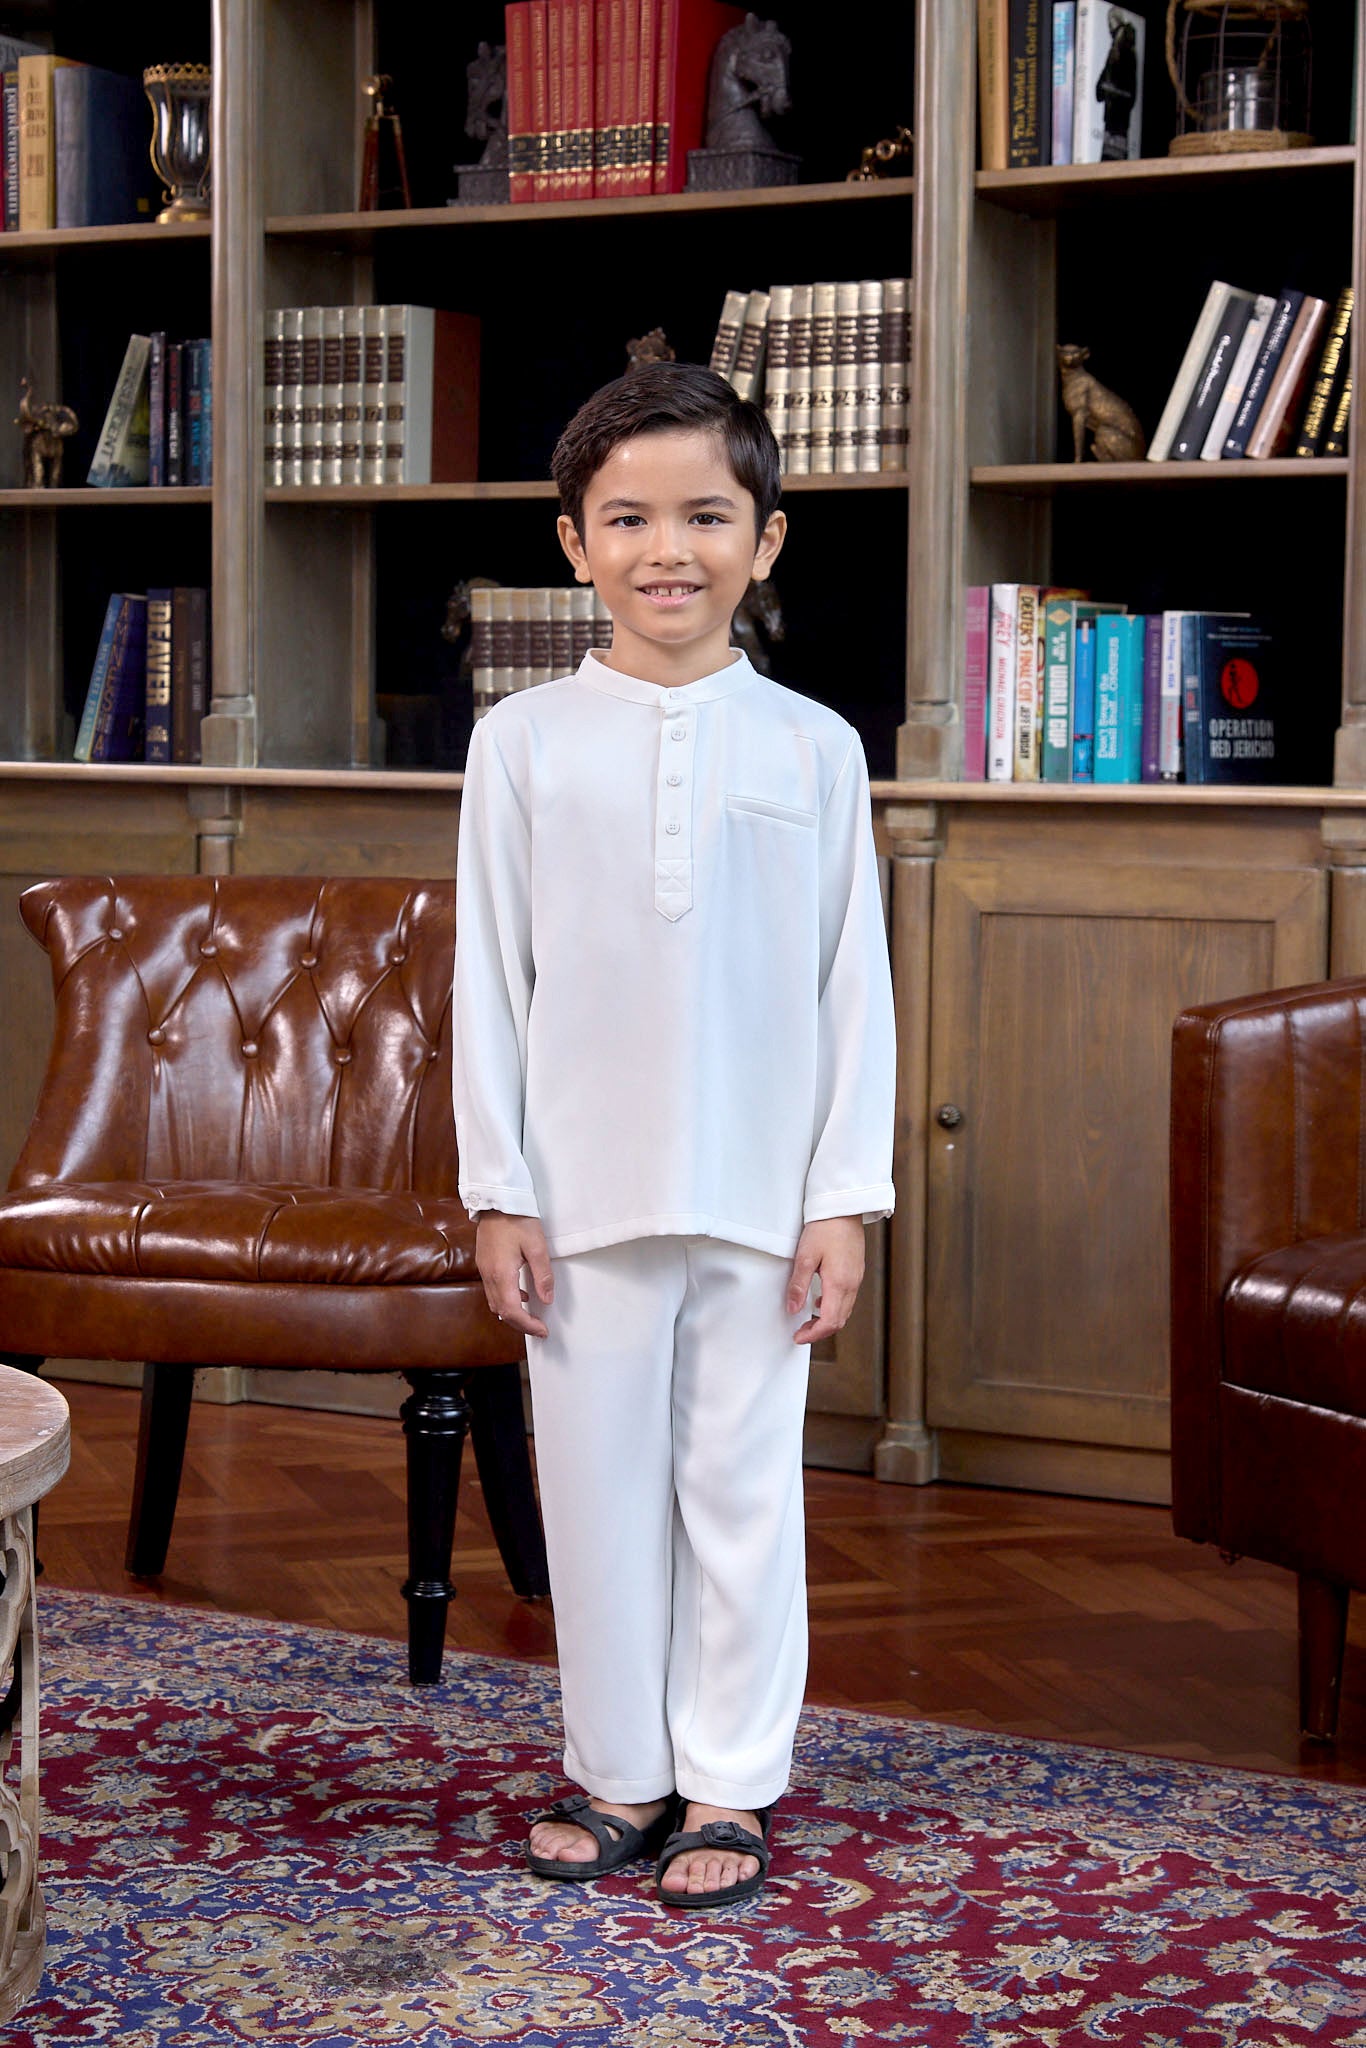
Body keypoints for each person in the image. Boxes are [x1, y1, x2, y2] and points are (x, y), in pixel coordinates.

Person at [451, 361, 896, 1909]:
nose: (667, 549)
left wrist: (842, 1199)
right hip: (577, 1196)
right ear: (572, 542)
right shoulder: (517, 748)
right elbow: (489, 983)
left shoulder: (815, 748)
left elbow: (856, 992)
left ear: (764, 539)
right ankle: (617, 1772)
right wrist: (498, 1190)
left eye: (706, 515)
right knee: (593, 1489)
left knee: (740, 1489)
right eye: (626, 518)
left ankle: (728, 1784)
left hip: (761, 1195)